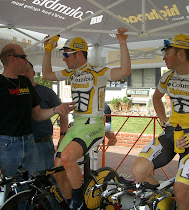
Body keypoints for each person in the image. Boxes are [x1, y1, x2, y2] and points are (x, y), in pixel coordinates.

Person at [132, 34, 189, 210]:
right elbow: (156, 97)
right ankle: (164, 199)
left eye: (167, 53)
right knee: (139, 170)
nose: (164, 57)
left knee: (181, 191)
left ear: (181, 54)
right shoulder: (167, 77)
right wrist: (162, 119)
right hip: (171, 132)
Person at [42, 27, 131, 209]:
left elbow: (124, 71)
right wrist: (47, 50)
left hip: (94, 125)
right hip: (78, 124)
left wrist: (122, 42)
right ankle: (70, 203)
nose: (64, 59)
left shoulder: (99, 72)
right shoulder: (70, 73)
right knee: (58, 170)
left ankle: (78, 203)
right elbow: (46, 75)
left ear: (79, 54)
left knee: (67, 157)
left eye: (67, 55)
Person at [0, 43, 75, 210]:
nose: (26, 60)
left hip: (29, 144)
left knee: (29, 192)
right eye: (23, 57)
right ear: (12, 59)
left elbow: (37, 114)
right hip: (6, 146)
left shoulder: (25, 83)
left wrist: (55, 109)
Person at [21, 61, 69, 171]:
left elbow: (63, 112)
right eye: (21, 71)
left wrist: (62, 135)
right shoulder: (16, 93)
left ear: (33, 73)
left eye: (27, 70)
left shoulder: (46, 92)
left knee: (45, 181)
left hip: (42, 145)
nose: (24, 74)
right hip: (20, 145)